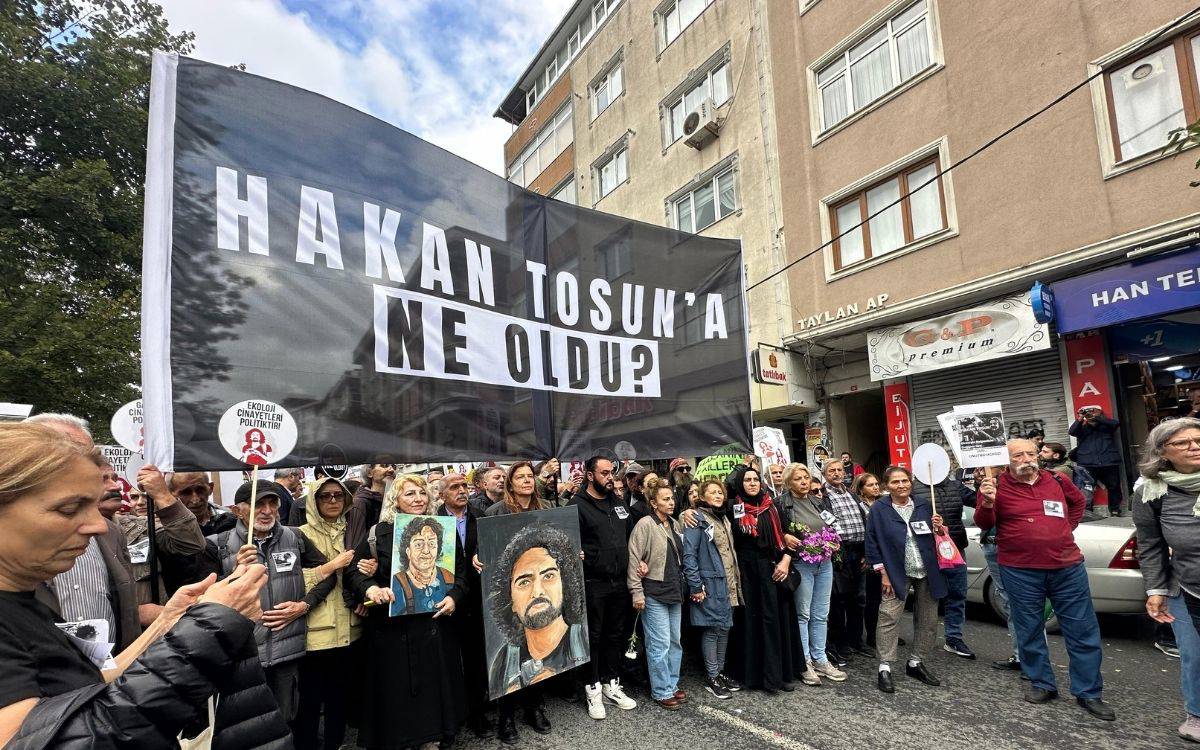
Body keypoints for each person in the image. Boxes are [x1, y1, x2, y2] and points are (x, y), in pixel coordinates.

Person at [0, 422, 289, 749]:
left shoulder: (23, 602)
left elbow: (90, 686)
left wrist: (170, 621)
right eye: (69, 508)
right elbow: (44, 741)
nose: (97, 525)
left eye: (93, 505)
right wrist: (210, 626)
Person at [976, 439, 1114, 720]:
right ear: (1007, 460)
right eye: (1018, 455)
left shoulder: (1058, 480)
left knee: (1082, 629)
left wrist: (1066, 527)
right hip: (1020, 569)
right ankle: (1041, 682)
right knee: (1028, 627)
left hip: (1067, 566)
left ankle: (1088, 692)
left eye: (1030, 453)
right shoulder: (995, 486)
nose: (1026, 458)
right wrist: (988, 503)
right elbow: (983, 522)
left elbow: (1077, 503)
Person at [203, 479, 343, 724]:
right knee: (246, 727)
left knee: (284, 723)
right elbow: (206, 598)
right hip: (242, 656)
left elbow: (328, 576)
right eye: (258, 504)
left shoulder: (294, 537)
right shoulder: (219, 545)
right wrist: (235, 572)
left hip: (286, 655)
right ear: (237, 510)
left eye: (272, 503)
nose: (267, 511)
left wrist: (303, 606)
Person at [346, 474, 467, 749]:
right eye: (410, 494)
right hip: (393, 630)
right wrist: (371, 589)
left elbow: (460, 576)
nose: (418, 499)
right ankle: (401, 739)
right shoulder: (379, 532)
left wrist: (454, 598)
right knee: (398, 689)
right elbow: (355, 572)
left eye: (422, 493)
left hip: (435, 625)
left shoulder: (443, 530)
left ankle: (432, 738)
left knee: (434, 688)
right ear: (395, 499)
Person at [486, 522, 588, 741]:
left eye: (549, 576)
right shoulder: (503, 660)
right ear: (510, 599)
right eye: (524, 581)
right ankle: (507, 717)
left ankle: (534, 709)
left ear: (566, 583)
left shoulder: (582, 640)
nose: (537, 591)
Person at [1132, 417, 1200, 741]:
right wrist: (1155, 589)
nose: (1194, 446)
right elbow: (1150, 544)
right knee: (1195, 655)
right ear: (1162, 452)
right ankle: (1197, 716)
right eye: (1183, 443)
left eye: (1198, 439)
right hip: (1186, 588)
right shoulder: (1151, 491)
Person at [45, 451, 140, 652]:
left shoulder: (113, 532)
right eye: (69, 509)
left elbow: (101, 677)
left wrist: (165, 620)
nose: (100, 526)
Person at [866, 466, 947, 694]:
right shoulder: (879, 509)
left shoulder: (923, 504)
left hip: (928, 570)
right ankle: (884, 667)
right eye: (895, 482)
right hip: (895, 572)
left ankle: (915, 662)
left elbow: (937, 538)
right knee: (888, 617)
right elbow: (872, 542)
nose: (901, 485)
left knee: (928, 619)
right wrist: (883, 573)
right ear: (886, 486)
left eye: (905, 481)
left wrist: (938, 529)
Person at [724, 464, 805, 693]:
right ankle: (754, 677)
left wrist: (786, 561)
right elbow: (707, 511)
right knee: (750, 622)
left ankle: (778, 676)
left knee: (773, 621)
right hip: (747, 574)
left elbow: (791, 537)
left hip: (773, 569)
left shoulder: (773, 506)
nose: (752, 483)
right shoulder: (733, 508)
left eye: (755, 479)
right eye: (747, 480)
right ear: (740, 484)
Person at [570, 455, 639, 719]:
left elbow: (631, 537)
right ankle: (593, 687)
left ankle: (612, 683)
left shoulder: (618, 502)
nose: (610, 477)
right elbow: (568, 543)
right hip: (593, 582)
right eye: (604, 473)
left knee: (615, 634)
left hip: (619, 581)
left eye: (612, 472)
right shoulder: (576, 505)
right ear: (590, 475)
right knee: (595, 636)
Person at [294, 476, 359, 750]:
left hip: (352, 627)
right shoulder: (299, 534)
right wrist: (330, 566)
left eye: (338, 495)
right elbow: (294, 580)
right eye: (325, 496)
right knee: (309, 701)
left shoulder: (355, 531)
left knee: (339, 699)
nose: (333, 501)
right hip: (316, 630)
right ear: (313, 500)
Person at [779, 463, 846, 686]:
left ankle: (820, 658)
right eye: (798, 478)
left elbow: (832, 525)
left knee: (821, 613)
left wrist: (834, 541)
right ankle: (804, 661)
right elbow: (776, 531)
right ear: (789, 482)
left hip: (824, 563)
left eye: (806, 477)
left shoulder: (818, 501)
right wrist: (785, 537)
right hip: (801, 563)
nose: (804, 482)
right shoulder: (782, 504)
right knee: (803, 614)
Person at [439, 474, 493, 740]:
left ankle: (477, 712)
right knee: (447, 662)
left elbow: (491, 548)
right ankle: (450, 717)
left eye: (464, 487)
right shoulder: (432, 520)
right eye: (454, 487)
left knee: (475, 659)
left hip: (474, 600)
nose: (461, 491)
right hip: (443, 601)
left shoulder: (480, 516)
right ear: (441, 494)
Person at [117, 464, 205, 624]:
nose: (141, 503)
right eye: (135, 497)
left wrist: (162, 496)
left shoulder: (143, 527)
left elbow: (192, 544)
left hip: (152, 633)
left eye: (146, 496)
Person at [628, 480, 688, 709]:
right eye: (665, 499)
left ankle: (671, 685)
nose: (671, 502)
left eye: (672, 498)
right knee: (659, 643)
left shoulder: (675, 524)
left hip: (674, 590)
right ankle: (661, 690)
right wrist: (637, 592)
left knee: (675, 642)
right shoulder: (645, 524)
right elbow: (635, 558)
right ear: (653, 503)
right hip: (653, 591)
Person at [682, 479, 742, 699]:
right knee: (712, 628)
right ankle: (712, 675)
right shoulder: (695, 518)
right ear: (702, 496)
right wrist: (695, 585)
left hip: (728, 582)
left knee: (724, 627)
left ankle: (720, 671)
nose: (718, 496)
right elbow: (689, 554)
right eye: (713, 492)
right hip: (709, 583)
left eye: (720, 492)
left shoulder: (723, 517)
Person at [910, 467, 976, 660]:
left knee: (957, 594)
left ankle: (954, 638)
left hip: (954, 550)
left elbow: (979, 501)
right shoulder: (913, 489)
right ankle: (922, 638)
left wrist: (984, 485)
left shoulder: (956, 486)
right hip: (927, 551)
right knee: (926, 597)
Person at [821, 459, 868, 665]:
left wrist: (868, 551)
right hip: (840, 551)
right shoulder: (822, 496)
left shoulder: (852, 493)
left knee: (859, 598)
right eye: (832, 470)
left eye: (840, 469)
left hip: (859, 550)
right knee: (839, 599)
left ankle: (856, 639)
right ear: (825, 474)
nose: (837, 473)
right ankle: (840, 643)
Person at [1069, 406, 1124, 516]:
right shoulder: (1082, 429)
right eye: (1088, 412)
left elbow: (1115, 423)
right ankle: (1087, 511)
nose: (1090, 413)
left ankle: (1115, 510)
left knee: (1114, 486)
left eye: (1093, 411)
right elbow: (1072, 431)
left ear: (1100, 413)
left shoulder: (1107, 426)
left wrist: (1097, 417)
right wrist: (1080, 418)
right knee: (1087, 487)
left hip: (1108, 461)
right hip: (1087, 462)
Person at [852, 472, 884, 653]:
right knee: (871, 598)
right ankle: (871, 635)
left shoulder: (884, 503)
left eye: (876, 483)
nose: (875, 487)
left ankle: (884, 632)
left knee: (887, 597)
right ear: (861, 489)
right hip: (870, 556)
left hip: (886, 554)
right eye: (870, 485)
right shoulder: (858, 506)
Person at [345, 462, 395, 549]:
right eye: (384, 465)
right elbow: (355, 544)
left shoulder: (396, 500)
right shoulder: (360, 503)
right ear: (369, 473)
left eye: (394, 466)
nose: (391, 469)